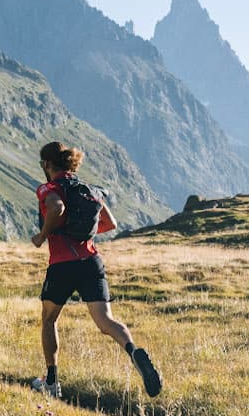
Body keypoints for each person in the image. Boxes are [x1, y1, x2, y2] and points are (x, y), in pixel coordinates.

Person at [30, 141, 162, 400]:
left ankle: (51, 382)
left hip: (62, 263)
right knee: (106, 321)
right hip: (91, 261)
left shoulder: (50, 188)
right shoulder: (90, 190)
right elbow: (109, 223)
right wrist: (82, 233)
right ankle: (133, 350)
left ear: (47, 164)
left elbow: (57, 207)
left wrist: (44, 235)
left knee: (49, 319)